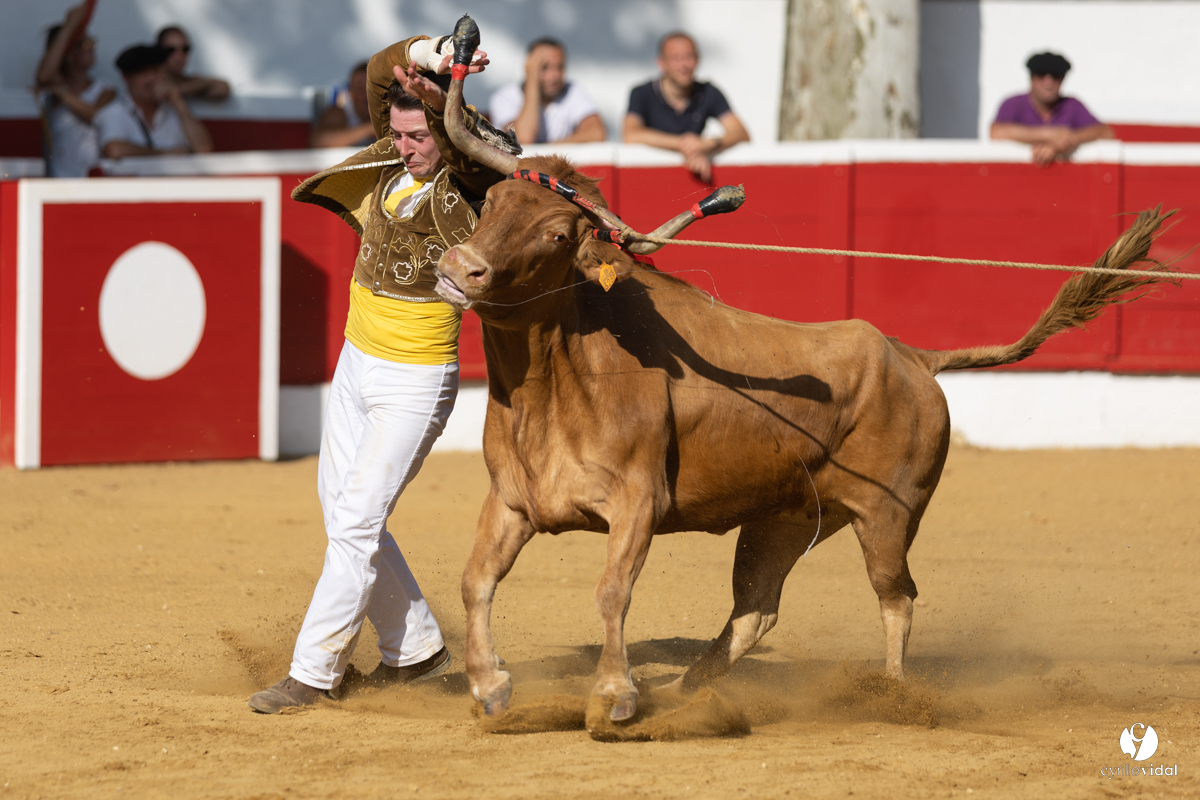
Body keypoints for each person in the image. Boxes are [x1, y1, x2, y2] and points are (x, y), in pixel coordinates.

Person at [247, 33, 512, 714]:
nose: (405, 146)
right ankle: (416, 648)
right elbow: (375, 72)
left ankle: (314, 670)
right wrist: (428, 51)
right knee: (344, 516)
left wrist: (449, 91)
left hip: (415, 380)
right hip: (355, 363)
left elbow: (471, 144)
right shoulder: (392, 161)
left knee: (358, 521)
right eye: (396, 134)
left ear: (444, 135)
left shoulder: (463, 182)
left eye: (419, 135)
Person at [623, 31, 749, 183]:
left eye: (688, 57)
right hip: (649, 181)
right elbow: (630, 135)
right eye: (675, 58)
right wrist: (685, 144)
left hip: (696, 182)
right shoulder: (641, 93)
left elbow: (741, 134)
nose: (683, 65)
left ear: (697, 60)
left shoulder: (709, 92)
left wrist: (708, 144)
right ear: (661, 63)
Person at [35, 3, 116, 177]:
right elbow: (43, 77)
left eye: (92, 41)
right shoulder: (51, 89)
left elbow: (96, 116)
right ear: (68, 54)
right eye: (85, 44)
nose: (93, 47)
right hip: (59, 178)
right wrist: (69, 27)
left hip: (96, 179)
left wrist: (62, 93)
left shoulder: (105, 88)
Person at [990, 52, 1113, 167]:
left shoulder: (1072, 105)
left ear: (1062, 79)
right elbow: (996, 132)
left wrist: (1065, 141)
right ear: (1031, 78)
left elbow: (1105, 133)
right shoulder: (1014, 104)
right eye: (1041, 74)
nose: (1048, 82)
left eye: (1055, 76)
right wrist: (1050, 135)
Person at [94, 45, 213, 158]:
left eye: (156, 71)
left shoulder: (173, 109)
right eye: (143, 72)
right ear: (126, 77)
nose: (151, 78)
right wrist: (163, 154)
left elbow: (204, 149)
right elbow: (114, 150)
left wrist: (178, 101)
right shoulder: (114, 112)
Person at [488, 37, 605, 144]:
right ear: (529, 68)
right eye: (545, 67)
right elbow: (523, 139)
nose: (554, 76)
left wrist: (549, 151)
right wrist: (532, 82)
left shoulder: (572, 91)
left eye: (559, 67)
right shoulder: (504, 96)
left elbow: (597, 133)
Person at [156, 25, 231, 101]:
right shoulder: (150, 82)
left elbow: (223, 89)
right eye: (171, 50)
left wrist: (178, 90)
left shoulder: (190, 82)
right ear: (158, 51)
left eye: (185, 49)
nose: (179, 55)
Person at [311, 61, 376, 148]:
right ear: (350, 93)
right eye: (360, 89)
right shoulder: (337, 114)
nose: (366, 95)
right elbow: (320, 142)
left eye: (372, 89)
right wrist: (370, 129)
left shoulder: (392, 111)